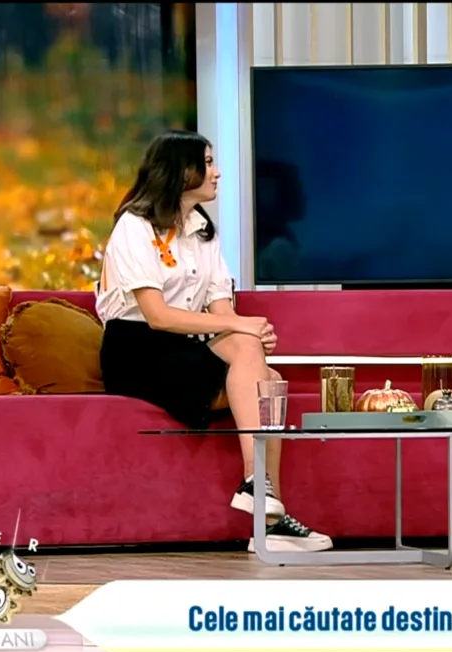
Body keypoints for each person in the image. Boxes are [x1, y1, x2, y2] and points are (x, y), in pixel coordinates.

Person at [96, 129, 332, 553]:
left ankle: (261, 494)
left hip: (184, 345)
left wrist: (250, 332)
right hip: (136, 349)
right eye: (207, 163)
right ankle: (266, 509)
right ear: (180, 170)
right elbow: (157, 316)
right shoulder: (134, 226)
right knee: (261, 375)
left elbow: (222, 314)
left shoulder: (202, 229)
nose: (217, 172)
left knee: (268, 378)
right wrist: (243, 329)